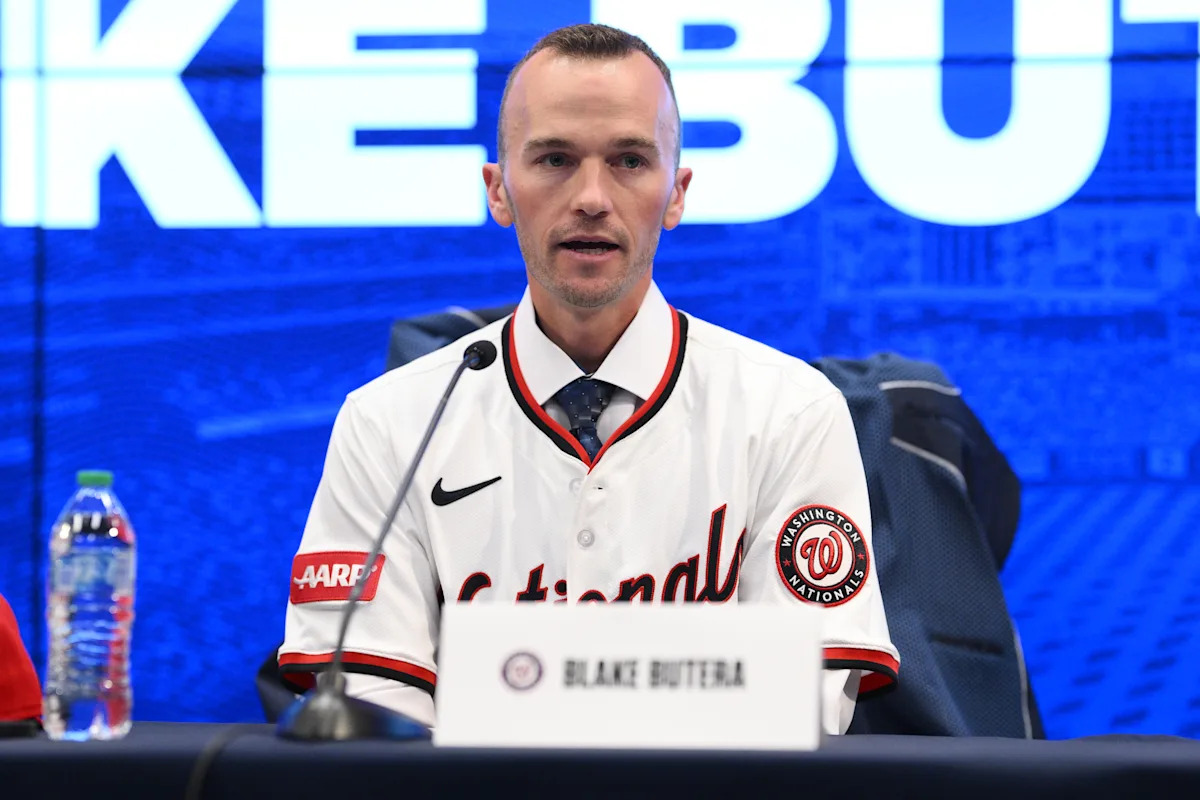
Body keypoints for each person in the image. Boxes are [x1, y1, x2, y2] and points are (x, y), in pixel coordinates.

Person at [280, 23, 897, 735]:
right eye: (554, 159)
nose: (592, 197)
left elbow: (805, 703)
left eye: (630, 160)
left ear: (676, 192)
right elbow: (365, 707)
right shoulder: (389, 420)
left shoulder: (792, 411)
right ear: (499, 189)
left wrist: (530, 693)